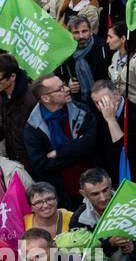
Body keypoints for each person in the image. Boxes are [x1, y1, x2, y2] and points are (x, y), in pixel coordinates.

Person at [23, 74, 95, 206]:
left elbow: (91, 143)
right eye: (60, 88)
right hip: (63, 194)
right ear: (45, 98)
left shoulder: (81, 111)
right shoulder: (33, 127)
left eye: (64, 85)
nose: (67, 89)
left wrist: (59, 152)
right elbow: (41, 164)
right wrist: (78, 149)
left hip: (94, 186)